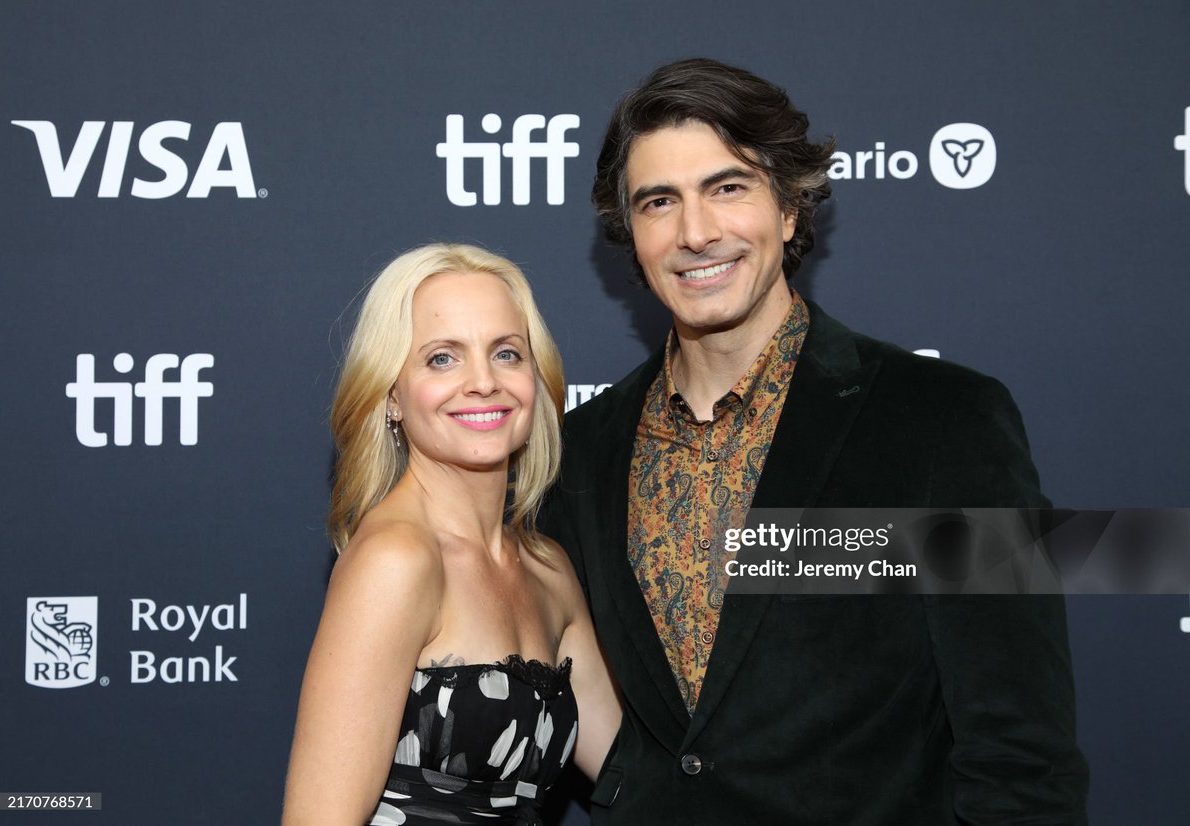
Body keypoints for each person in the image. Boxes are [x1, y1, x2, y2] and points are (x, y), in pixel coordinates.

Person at [540, 59, 1089, 823]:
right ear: (630, 236)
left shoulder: (944, 422)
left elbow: (1022, 756)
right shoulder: (579, 454)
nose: (696, 232)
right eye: (659, 202)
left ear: (792, 208)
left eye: (728, 187)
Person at [283, 243, 620, 826]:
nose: (483, 382)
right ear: (391, 394)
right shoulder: (396, 559)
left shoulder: (547, 567)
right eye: (443, 358)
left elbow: (634, 764)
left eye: (507, 353)